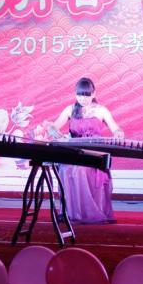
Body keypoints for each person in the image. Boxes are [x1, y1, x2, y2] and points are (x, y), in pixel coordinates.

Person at [49, 77, 123, 224]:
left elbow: (116, 128)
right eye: (79, 95)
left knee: (81, 170)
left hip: (94, 153)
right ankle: (71, 212)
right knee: (66, 168)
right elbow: (53, 126)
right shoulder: (70, 109)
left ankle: (88, 213)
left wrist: (118, 133)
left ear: (93, 94)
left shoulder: (101, 110)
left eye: (86, 95)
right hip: (75, 152)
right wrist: (53, 131)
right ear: (76, 95)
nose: (83, 99)